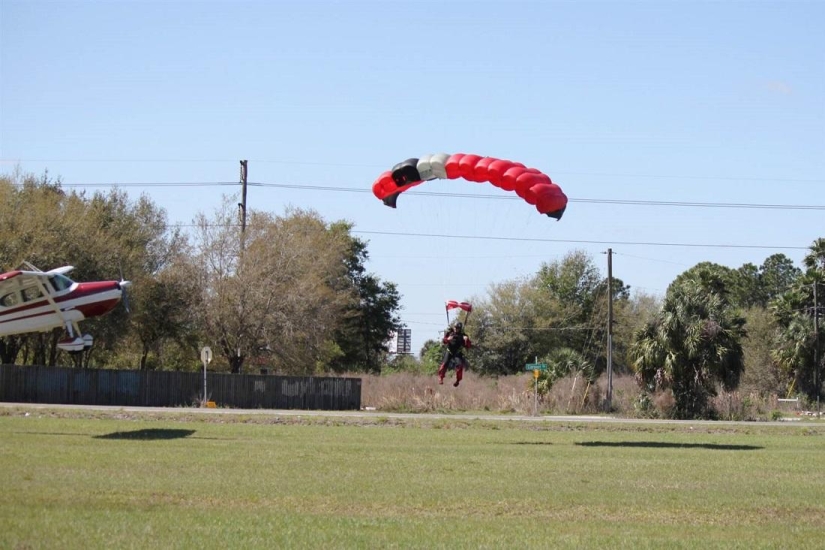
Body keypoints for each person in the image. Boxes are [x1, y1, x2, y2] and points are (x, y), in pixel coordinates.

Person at [438, 321, 471, 387]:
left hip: (457, 353)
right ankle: (441, 378)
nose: (456, 329)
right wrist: (448, 339)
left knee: (459, 366)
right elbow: (444, 341)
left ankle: (458, 380)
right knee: (444, 365)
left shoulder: (463, 336)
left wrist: (466, 340)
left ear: (460, 329)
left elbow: (468, 346)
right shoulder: (449, 333)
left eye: (457, 328)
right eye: (455, 327)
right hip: (449, 351)